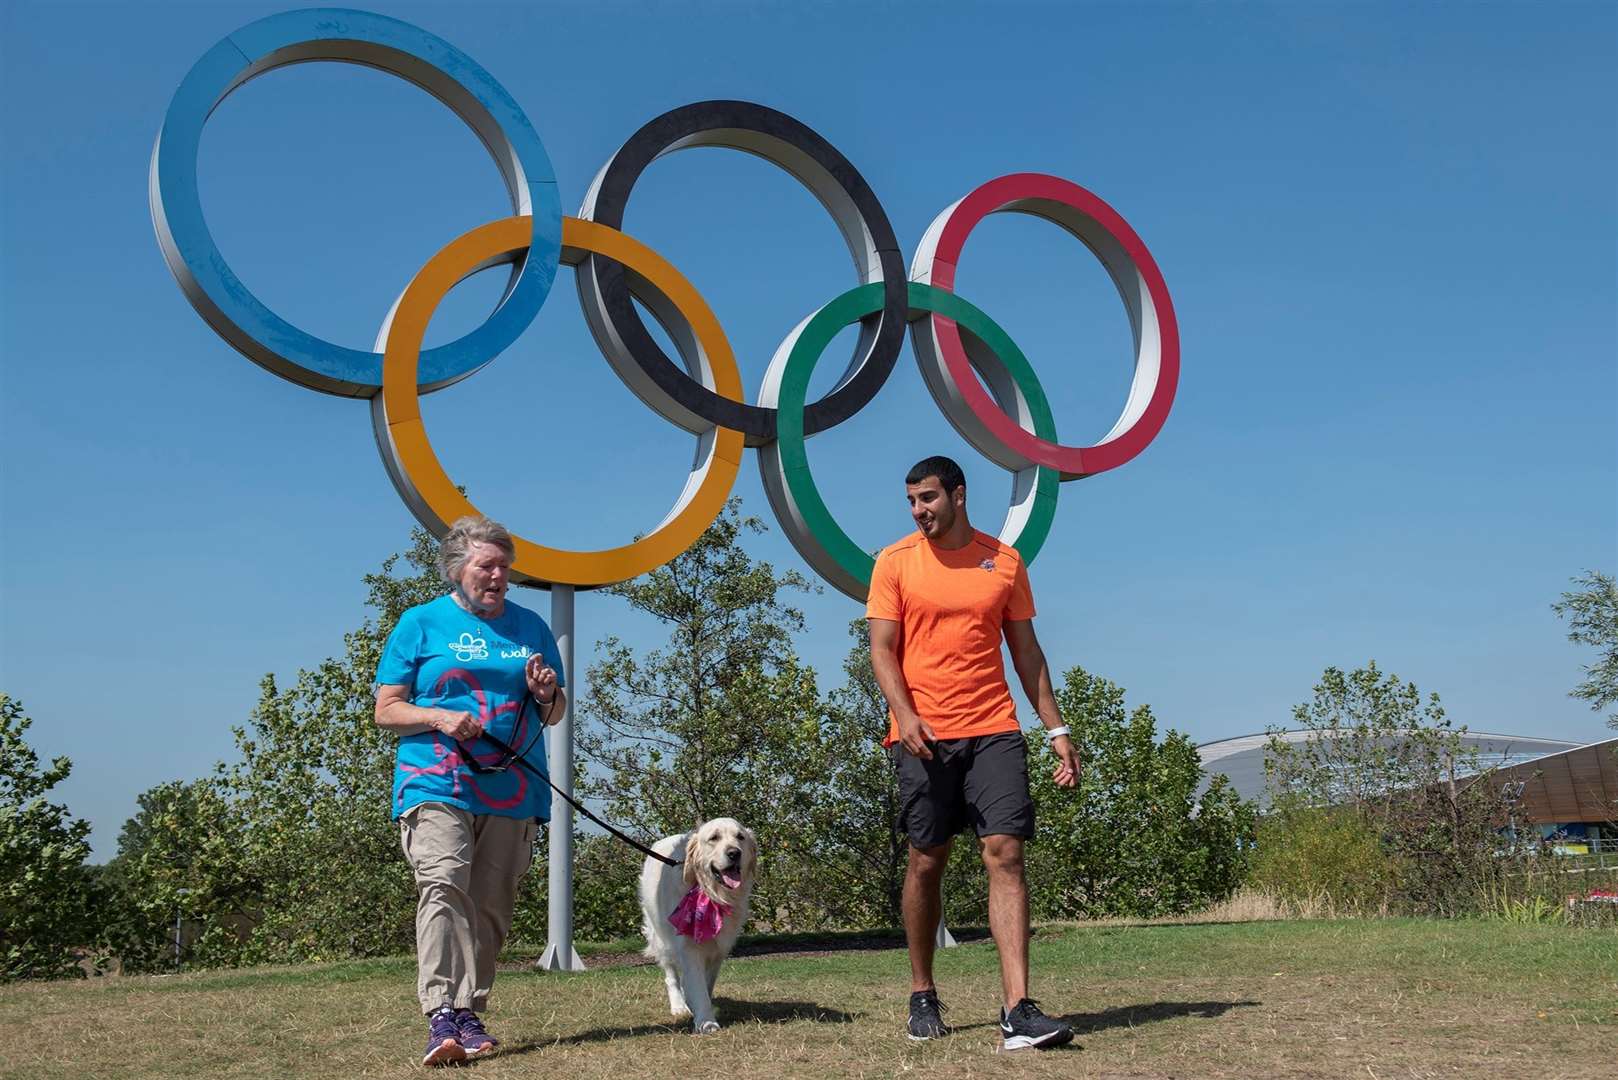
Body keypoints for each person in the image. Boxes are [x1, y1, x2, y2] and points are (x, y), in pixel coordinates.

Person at [867, 455, 1081, 1052]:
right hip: (924, 735)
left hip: (994, 728)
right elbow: (882, 650)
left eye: (928, 498)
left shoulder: (1004, 562)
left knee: (1005, 851)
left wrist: (1057, 730)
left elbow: (1028, 653)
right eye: (912, 501)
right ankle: (922, 991)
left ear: (959, 495)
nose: (919, 511)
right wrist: (904, 713)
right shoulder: (894, 562)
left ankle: (1018, 1008)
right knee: (926, 861)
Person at [374, 515, 565, 1066]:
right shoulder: (420, 623)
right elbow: (386, 710)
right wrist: (439, 717)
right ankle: (441, 1014)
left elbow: (554, 715)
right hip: (435, 779)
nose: (498, 575)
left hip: (513, 785)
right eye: (487, 565)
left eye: (504, 566)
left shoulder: (530, 628)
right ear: (458, 570)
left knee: (490, 905)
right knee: (443, 883)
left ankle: (469, 1010)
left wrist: (545, 691)